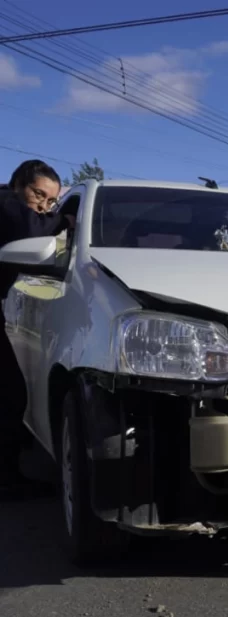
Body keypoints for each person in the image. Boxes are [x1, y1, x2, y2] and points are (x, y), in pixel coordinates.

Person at [0, 160, 71, 488]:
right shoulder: (5, 203)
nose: (43, 206)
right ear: (17, 185)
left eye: (50, 201)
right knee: (11, 394)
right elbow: (33, 232)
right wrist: (66, 218)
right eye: (38, 195)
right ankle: (7, 480)